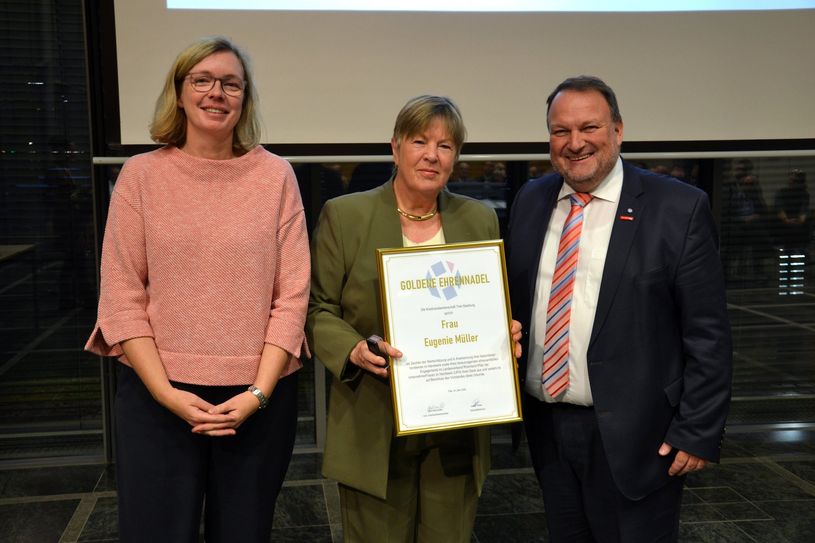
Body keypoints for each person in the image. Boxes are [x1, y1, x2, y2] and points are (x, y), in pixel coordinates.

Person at [84, 36, 309, 542]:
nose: (217, 93)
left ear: (244, 98)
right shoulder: (141, 176)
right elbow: (121, 297)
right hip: (156, 399)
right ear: (180, 94)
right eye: (202, 81)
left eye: (231, 83)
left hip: (256, 401)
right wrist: (166, 393)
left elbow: (292, 298)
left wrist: (257, 393)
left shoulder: (276, 177)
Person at [506, 76, 732, 542]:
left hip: (642, 436)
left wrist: (697, 428)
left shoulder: (678, 208)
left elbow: (708, 332)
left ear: (618, 130)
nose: (575, 143)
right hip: (548, 428)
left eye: (589, 127)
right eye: (560, 131)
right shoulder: (531, 200)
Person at [307, 95, 521, 542]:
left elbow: (486, 308)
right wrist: (351, 348)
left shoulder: (478, 219)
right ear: (395, 147)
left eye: (445, 146)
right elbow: (317, 308)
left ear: (456, 157)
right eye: (420, 141)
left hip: (457, 425)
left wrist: (505, 334)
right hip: (374, 415)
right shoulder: (346, 215)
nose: (431, 155)